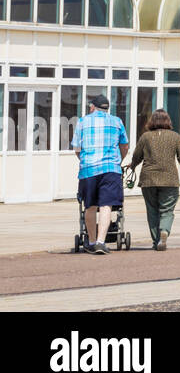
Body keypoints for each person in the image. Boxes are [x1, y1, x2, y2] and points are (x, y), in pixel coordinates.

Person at [128, 109, 180, 251]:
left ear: (152, 121)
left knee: (152, 210)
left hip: (149, 179)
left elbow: (137, 155)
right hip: (169, 179)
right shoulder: (175, 137)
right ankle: (164, 230)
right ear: (167, 121)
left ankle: (156, 240)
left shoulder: (145, 137)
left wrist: (132, 167)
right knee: (167, 210)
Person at [71, 93, 129, 254]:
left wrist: (84, 160)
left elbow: (76, 147)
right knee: (106, 205)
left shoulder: (82, 122)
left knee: (90, 205)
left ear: (92, 107)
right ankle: (101, 242)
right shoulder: (117, 121)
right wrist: (118, 161)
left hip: (88, 170)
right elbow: (124, 146)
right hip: (111, 169)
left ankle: (90, 241)